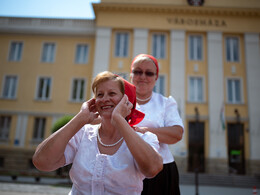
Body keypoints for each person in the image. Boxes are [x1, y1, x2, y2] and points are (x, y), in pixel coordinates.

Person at [32, 71, 163, 195]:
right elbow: (41, 162)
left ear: (127, 101)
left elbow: (152, 169)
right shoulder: (83, 134)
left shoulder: (145, 138)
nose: (104, 99)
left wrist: (118, 118)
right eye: (100, 95)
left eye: (112, 93)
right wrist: (79, 119)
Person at [130, 54, 184, 195]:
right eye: (138, 71)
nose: (143, 76)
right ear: (131, 74)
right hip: (125, 168)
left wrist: (141, 131)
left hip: (160, 170)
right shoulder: (119, 100)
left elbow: (177, 133)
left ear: (156, 78)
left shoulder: (166, 103)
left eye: (149, 73)